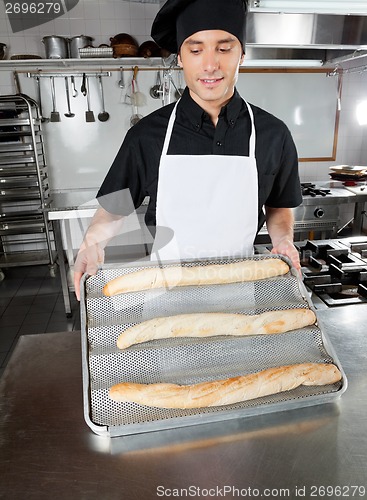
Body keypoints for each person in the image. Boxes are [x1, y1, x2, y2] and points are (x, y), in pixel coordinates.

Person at [74, 0, 302, 300]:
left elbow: (279, 207)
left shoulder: (273, 134)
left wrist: (284, 239)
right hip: (165, 294)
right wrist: (92, 242)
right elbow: (115, 208)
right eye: (196, 50)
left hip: (241, 291)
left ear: (242, 54)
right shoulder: (147, 135)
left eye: (224, 48)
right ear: (180, 57)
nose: (210, 64)